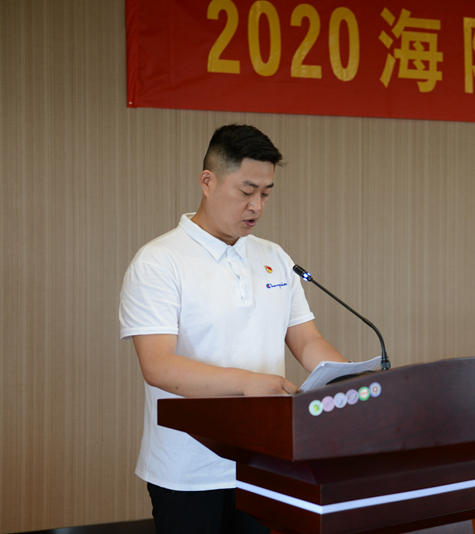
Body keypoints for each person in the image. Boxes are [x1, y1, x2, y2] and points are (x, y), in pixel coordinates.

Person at [119, 124, 347, 534]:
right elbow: (158, 365)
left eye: (266, 193)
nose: (256, 206)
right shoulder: (159, 261)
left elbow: (308, 341)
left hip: (265, 462)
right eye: (246, 191)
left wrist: (350, 382)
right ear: (208, 182)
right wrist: (248, 384)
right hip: (188, 469)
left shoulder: (274, 257)